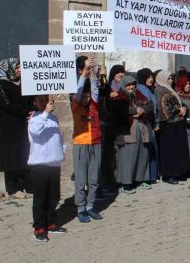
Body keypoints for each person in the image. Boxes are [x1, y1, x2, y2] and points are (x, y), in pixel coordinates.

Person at [27, 95, 67, 242]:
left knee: (54, 196)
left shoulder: (53, 117)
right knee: (40, 198)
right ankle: (39, 227)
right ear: (35, 103)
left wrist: (62, 151)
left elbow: (57, 136)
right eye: (41, 101)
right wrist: (45, 113)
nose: (45, 103)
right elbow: (35, 131)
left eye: (47, 100)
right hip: (40, 163)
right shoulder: (35, 118)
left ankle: (51, 222)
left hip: (54, 162)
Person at [0, 58, 33, 198]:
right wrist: (26, 112)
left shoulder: (23, 83)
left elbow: (30, 100)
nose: (18, 70)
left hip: (24, 123)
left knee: (24, 153)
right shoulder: (0, 84)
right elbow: (7, 104)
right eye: (16, 67)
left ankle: (27, 185)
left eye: (19, 67)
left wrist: (32, 112)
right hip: (9, 126)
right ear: (8, 68)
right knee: (11, 157)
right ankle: (13, 188)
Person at [71, 57, 103, 223]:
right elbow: (77, 91)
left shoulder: (94, 104)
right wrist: (84, 73)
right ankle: (80, 208)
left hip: (95, 142)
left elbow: (96, 90)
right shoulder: (76, 105)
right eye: (84, 95)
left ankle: (91, 206)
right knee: (81, 180)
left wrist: (93, 74)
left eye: (88, 95)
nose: (86, 97)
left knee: (94, 179)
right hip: (81, 143)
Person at [114, 76, 151, 193]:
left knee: (142, 154)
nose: (131, 87)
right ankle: (126, 183)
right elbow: (119, 109)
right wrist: (136, 110)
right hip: (127, 131)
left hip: (141, 129)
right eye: (128, 85)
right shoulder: (119, 95)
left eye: (132, 84)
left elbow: (150, 106)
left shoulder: (139, 94)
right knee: (128, 157)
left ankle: (139, 179)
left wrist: (142, 110)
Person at [154, 71, 190, 184]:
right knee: (169, 151)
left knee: (178, 150)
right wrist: (179, 110)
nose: (171, 80)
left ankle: (178, 172)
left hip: (177, 123)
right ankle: (168, 175)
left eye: (171, 78)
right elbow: (163, 108)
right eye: (169, 78)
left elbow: (178, 102)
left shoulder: (170, 89)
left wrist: (184, 108)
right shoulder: (159, 90)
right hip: (168, 125)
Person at [100, 65, 128, 192]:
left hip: (120, 125)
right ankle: (107, 181)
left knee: (118, 155)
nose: (121, 75)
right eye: (118, 73)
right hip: (109, 124)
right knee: (109, 155)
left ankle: (117, 179)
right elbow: (103, 94)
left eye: (122, 73)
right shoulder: (107, 86)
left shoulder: (124, 88)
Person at [136, 68, 159, 184]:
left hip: (151, 122)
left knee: (152, 150)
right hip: (145, 124)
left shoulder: (149, 90)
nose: (151, 79)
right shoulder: (141, 90)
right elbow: (149, 107)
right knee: (148, 150)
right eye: (148, 77)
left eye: (152, 77)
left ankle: (153, 176)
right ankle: (149, 176)